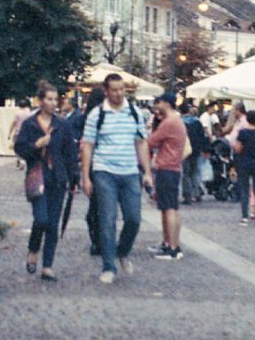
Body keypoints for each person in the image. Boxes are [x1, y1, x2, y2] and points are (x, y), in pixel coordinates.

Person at [80, 73, 152, 284]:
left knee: (133, 219)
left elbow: (141, 142)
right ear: (106, 91)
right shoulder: (97, 114)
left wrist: (147, 171)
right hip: (105, 172)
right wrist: (86, 177)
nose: (119, 93)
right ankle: (109, 266)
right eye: (114, 90)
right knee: (107, 220)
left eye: (122, 89)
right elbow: (88, 145)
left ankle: (122, 250)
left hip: (130, 172)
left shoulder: (134, 112)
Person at [15, 81, 79, 281]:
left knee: (53, 224)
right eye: (49, 99)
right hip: (37, 176)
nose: (53, 103)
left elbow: (70, 154)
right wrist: (37, 144)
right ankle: (33, 249)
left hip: (57, 179)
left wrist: (74, 178)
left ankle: (48, 266)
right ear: (40, 101)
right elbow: (20, 148)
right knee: (41, 219)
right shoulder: (30, 124)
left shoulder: (62, 125)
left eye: (55, 99)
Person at [146, 92, 187, 260]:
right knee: (170, 207)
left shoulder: (169, 122)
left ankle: (173, 247)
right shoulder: (176, 121)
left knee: (169, 208)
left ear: (167, 104)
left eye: (159, 102)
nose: (157, 106)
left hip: (167, 167)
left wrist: (150, 128)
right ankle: (169, 243)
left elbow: (151, 141)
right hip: (173, 167)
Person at [77, 86, 106, 256]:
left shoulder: (84, 118)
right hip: (102, 164)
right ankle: (101, 241)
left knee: (95, 207)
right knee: (101, 207)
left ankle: (97, 241)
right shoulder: (101, 116)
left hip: (92, 165)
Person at [180, 102, 208, 204]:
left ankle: (188, 196)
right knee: (195, 172)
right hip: (196, 150)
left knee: (186, 173)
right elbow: (202, 137)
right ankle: (197, 194)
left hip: (185, 150)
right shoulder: (197, 122)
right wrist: (203, 149)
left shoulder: (181, 122)